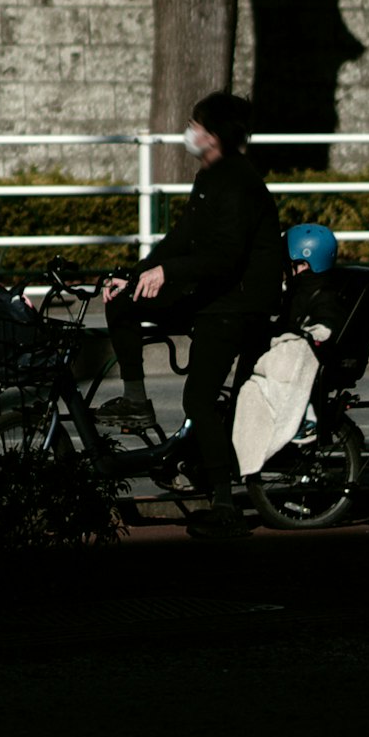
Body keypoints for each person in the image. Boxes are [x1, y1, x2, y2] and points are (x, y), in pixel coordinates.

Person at [98, 91, 284, 539]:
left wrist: (168, 271)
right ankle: (136, 399)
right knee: (121, 301)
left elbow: (225, 255)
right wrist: (135, 273)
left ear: (215, 135)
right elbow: (182, 238)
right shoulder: (210, 177)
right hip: (214, 296)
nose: (190, 131)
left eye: (197, 125)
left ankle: (224, 503)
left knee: (198, 399)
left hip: (236, 305)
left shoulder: (238, 182)